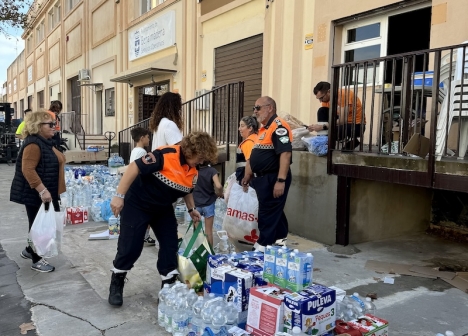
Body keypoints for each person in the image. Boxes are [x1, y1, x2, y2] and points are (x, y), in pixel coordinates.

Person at [107, 131, 218, 307]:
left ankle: (168, 286)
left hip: (162, 207)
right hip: (138, 204)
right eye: (200, 157)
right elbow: (135, 167)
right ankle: (117, 280)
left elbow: (186, 188)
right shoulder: (166, 155)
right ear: (190, 151)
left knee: (170, 244)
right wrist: (119, 195)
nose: (202, 162)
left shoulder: (193, 169)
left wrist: (191, 209)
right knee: (131, 247)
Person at [10, 111, 66, 273]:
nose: (54, 127)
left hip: (47, 191)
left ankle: (29, 250)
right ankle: (36, 259)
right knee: (38, 228)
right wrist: (42, 191)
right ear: (38, 126)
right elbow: (28, 169)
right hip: (36, 194)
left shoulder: (45, 142)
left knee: (39, 225)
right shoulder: (34, 144)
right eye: (50, 124)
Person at [241, 96, 293, 252]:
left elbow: (285, 154)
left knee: (267, 212)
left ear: (270, 108)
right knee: (273, 210)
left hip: (273, 177)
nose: (255, 111)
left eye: (258, 108)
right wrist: (248, 175)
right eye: (254, 108)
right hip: (261, 178)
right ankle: (280, 240)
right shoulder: (263, 129)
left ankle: (264, 244)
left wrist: (281, 180)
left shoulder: (279, 126)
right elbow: (254, 157)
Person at [309, 81, 365, 149]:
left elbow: (342, 120)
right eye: (319, 99)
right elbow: (329, 119)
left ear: (329, 91)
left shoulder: (344, 95)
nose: (320, 101)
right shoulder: (326, 101)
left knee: (330, 132)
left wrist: (323, 127)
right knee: (322, 110)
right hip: (341, 125)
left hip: (355, 125)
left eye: (321, 98)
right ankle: (325, 144)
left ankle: (351, 141)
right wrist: (315, 127)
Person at [129, 127, 157, 246]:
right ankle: (144, 235)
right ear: (142, 138)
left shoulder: (135, 150)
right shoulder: (142, 152)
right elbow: (142, 169)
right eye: (147, 137)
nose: (149, 139)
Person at [193, 163, 223, 247]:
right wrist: (220, 193)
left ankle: (198, 252)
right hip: (209, 203)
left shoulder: (194, 170)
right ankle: (209, 253)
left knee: (197, 231)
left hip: (196, 204)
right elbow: (218, 186)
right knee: (208, 231)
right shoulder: (212, 171)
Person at [236, 116, 259, 182]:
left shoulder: (248, 142)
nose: (239, 129)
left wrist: (246, 179)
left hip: (247, 179)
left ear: (250, 128)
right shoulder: (257, 138)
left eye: (242, 126)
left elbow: (249, 162)